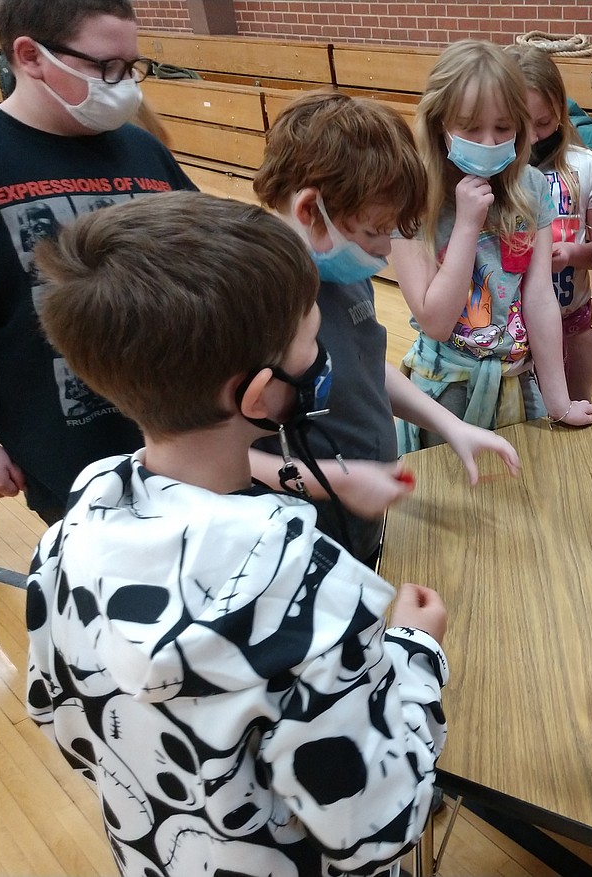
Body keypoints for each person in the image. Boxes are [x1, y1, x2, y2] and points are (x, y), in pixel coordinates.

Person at [26, 191, 449, 877]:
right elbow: (379, 822)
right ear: (260, 396)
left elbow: (62, 719)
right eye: (311, 340)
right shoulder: (308, 586)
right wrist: (416, 648)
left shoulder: (76, 521)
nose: (322, 354)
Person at [252, 90, 520, 566]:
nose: (384, 251)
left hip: (362, 517)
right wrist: (335, 481)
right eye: (375, 232)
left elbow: (364, 366)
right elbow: (211, 457)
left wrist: (450, 425)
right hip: (298, 542)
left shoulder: (344, 271)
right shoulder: (252, 303)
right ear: (312, 212)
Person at [0, 0, 196, 524]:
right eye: (105, 67)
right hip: (71, 456)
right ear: (30, 57)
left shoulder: (143, 150)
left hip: (183, 435)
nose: (123, 84)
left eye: (131, 68)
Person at [390, 40, 592, 448]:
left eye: (503, 128)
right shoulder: (411, 199)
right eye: (469, 127)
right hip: (445, 388)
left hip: (516, 381)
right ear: (438, 124)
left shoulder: (531, 188)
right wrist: (468, 224)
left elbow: (538, 296)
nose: (488, 142)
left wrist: (559, 399)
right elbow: (435, 320)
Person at [505, 45, 592, 402]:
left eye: (544, 123)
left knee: (576, 411)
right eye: (520, 124)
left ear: (561, 114)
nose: (533, 138)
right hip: (508, 335)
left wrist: (573, 254)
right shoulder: (497, 172)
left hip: (573, 322)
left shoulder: (585, 166)